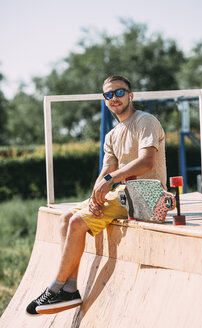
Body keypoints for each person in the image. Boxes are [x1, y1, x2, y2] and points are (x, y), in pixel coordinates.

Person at [26, 75, 166, 315]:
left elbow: (146, 162)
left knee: (78, 222)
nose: (114, 98)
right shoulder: (112, 135)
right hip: (124, 194)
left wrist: (110, 181)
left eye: (119, 93)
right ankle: (70, 287)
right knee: (66, 217)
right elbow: (105, 172)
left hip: (148, 194)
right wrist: (95, 197)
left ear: (130, 95)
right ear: (105, 100)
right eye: (108, 95)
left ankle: (55, 287)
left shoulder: (146, 121)